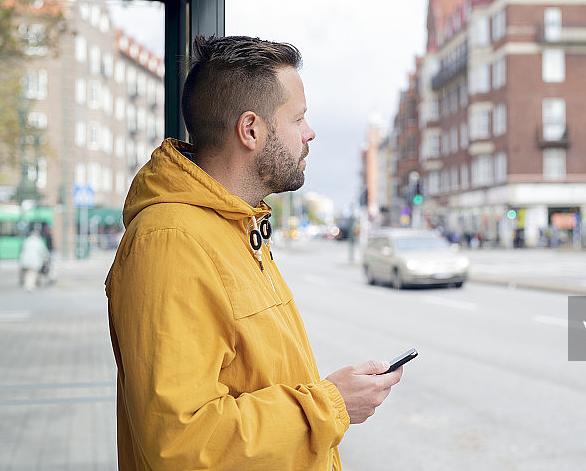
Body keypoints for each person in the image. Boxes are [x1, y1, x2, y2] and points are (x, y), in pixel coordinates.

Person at [105, 36, 403, 471]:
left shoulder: (235, 227)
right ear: (251, 130)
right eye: (298, 118)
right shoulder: (170, 240)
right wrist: (330, 405)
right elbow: (181, 441)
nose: (310, 133)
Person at [19, 228, 48, 292]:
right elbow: (43, 251)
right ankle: (31, 285)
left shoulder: (26, 241)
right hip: (34, 260)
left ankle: (26, 285)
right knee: (32, 273)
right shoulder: (38, 242)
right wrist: (46, 257)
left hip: (25, 260)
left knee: (27, 273)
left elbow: (22, 250)